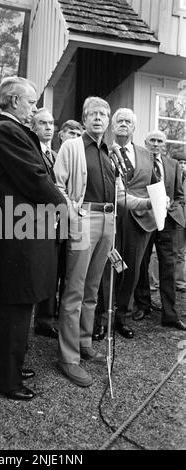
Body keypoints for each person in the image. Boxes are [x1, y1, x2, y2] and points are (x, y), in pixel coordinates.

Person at [53, 98, 152, 387]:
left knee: (92, 289)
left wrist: (147, 203)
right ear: (84, 119)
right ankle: (68, 357)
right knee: (73, 289)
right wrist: (73, 215)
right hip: (84, 220)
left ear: (108, 121)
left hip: (108, 222)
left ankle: (84, 343)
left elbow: (121, 195)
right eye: (93, 114)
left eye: (103, 114)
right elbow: (58, 186)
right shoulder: (72, 147)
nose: (99, 118)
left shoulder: (111, 153)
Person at [0, 77, 66, 401]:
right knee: (15, 306)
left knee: (19, 304)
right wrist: (63, 205)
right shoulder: (7, 131)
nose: (34, 107)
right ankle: (6, 377)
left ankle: (10, 366)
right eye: (30, 102)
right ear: (14, 101)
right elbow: (34, 178)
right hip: (18, 232)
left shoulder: (12, 130)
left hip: (22, 229)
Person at [111, 108, 157, 339]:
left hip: (138, 222)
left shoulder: (146, 155)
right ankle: (100, 318)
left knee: (131, 269)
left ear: (134, 127)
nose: (124, 124)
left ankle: (123, 318)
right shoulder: (103, 150)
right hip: (109, 217)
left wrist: (160, 203)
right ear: (112, 125)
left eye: (128, 121)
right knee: (107, 268)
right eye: (119, 120)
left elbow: (156, 186)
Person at [133, 130, 186, 331]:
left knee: (168, 267)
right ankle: (143, 305)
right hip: (144, 220)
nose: (156, 144)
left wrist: (173, 207)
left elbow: (180, 195)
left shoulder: (173, 165)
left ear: (164, 145)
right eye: (152, 140)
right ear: (146, 142)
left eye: (159, 141)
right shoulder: (139, 163)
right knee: (141, 264)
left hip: (168, 222)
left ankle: (170, 315)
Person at [30, 108, 59, 339]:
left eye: (51, 123)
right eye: (42, 123)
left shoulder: (56, 155)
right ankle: (36, 319)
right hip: (35, 220)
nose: (48, 127)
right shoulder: (31, 152)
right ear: (32, 127)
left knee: (52, 270)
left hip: (56, 220)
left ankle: (45, 319)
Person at [174, 156, 186, 293]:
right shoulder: (172, 176)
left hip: (184, 220)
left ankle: (180, 282)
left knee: (181, 252)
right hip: (175, 217)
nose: (182, 165)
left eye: (184, 163)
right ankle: (155, 282)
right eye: (180, 163)